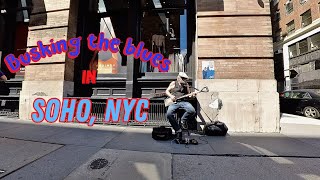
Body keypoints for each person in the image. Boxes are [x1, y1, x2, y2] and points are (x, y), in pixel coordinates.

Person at [165, 72, 196, 139]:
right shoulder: (173, 83)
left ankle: (183, 120)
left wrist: (192, 95)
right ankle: (178, 129)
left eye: (185, 79)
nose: (185, 80)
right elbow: (167, 91)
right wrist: (171, 96)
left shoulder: (186, 85)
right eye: (183, 79)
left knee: (192, 110)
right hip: (174, 102)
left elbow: (189, 95)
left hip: (184, 102)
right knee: (169, 114)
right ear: (179, 78)